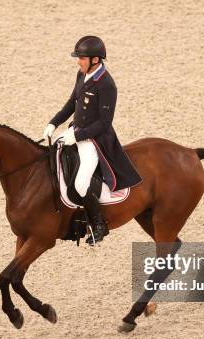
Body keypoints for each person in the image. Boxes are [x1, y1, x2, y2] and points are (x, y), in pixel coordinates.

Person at [43, 35, 142, 245]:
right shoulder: (83, 74)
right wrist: (53, 123)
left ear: (95, 60)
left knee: (80, 183)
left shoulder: (106, 84)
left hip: (95, 140)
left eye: (82, 58)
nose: (78, 61)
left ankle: (98, 225)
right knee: (52, 154)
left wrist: (76, 136)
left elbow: (104, 123)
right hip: (76, 131)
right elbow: (72, 103)